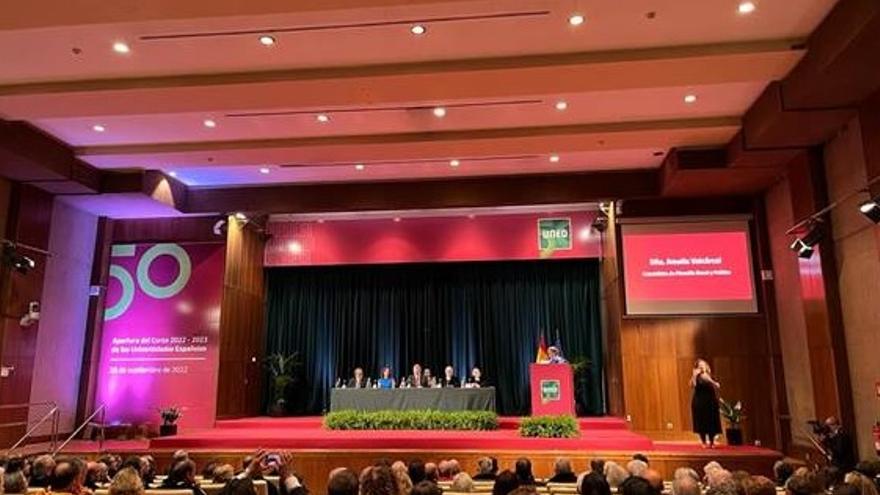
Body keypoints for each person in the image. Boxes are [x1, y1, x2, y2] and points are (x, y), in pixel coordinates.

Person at [690, 358, 722, 448]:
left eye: (703, 365)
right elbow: (693, 385)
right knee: (701, 421)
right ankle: (703, 441)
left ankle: (712, 442)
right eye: (700, 365)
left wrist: (714, 382)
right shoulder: (697, 376)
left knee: (711, 421)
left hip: (710, 400)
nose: (702, 367)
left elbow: (713, 383)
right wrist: (694, 376)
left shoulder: (708, 375)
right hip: (699, 401)